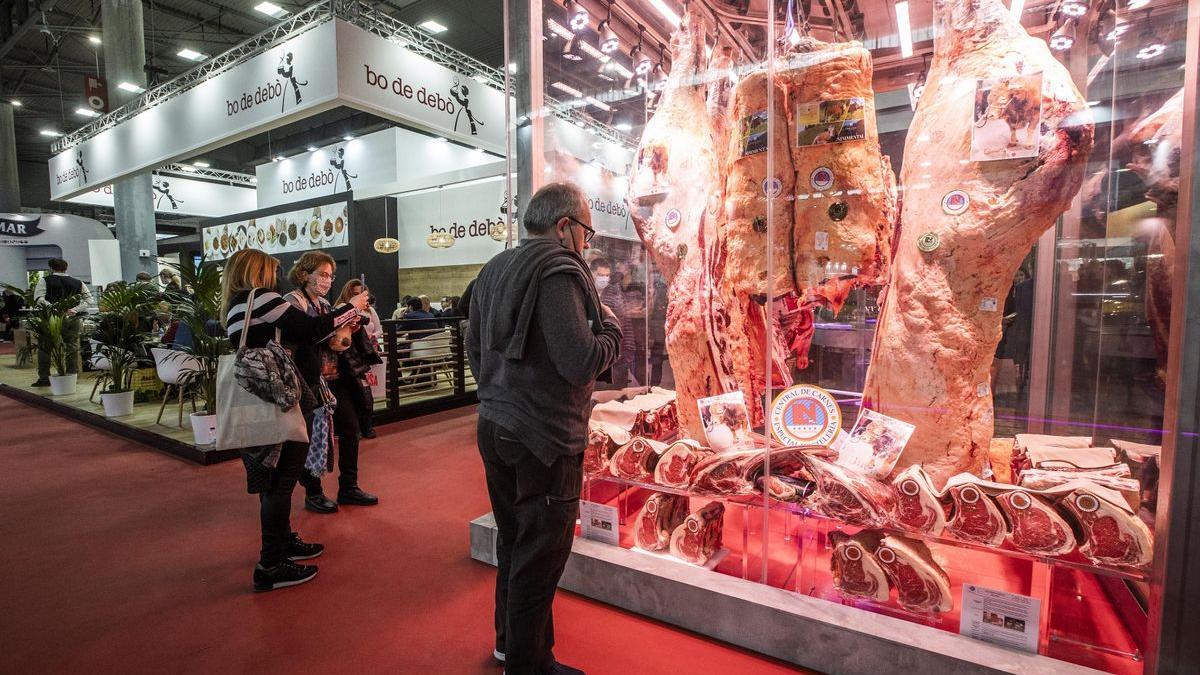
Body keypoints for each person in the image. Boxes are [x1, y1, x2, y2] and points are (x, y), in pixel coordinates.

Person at [468, 181, 622, 675]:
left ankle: (509, 645)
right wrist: (613, 333)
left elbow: (473, 349)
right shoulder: (559, 268)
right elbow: (580, 362)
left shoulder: (494, 268)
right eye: (588, 235)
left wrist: (500, 393)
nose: (587, 245)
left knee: (514, 541)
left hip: (495, 425)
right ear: (565, 227)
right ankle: (529, 665)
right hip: (545, 438)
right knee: (541, 555)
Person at [221, 248, 368, 592]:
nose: (275, 276)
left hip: (258, 400)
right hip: (281, 399)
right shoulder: (263, 298)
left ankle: (283, 542)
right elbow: (309, 327)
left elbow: (305, 332)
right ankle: (271, 564)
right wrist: (352, 308)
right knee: (282, 480)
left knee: (271, 477)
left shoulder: (236, 305)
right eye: (271, 270)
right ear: (258, 272)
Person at [284, 252, 379, 513]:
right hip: (308, 382)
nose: (327, 280)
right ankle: (313, 492)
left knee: (350, 429)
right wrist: (349, 310)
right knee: (312, 437)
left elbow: (336, 341)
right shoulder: (293, 303)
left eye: (330, 276)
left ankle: (349, 487)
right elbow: (310, 332)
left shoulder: (325, 305)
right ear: (305, 274)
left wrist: (350, 325)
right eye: (322, 274)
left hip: (334, 379)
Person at [335, 280, 383, 440]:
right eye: (355, 294)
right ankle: (357, 428)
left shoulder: (369, 310)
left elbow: (378, 329)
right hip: (348, 358)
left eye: (361, 293)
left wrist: (370, 337)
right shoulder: (341, 309)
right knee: (355, 395)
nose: (359, 296)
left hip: (365, 356)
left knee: (367, 395)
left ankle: (365, 426)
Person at [32, 258, 92, 387]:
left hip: (51, 319)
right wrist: (74, 310)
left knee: (45, 347)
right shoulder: (78, 282)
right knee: (72, 346)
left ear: (51, 268)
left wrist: (54, 308)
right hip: (72, 319)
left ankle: (44, 378)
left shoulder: (44, 280)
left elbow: (38, 298)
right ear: (66, 267)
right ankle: (72, 375)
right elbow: (89, 300)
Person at [589, 256, 635, 389]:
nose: (604, 278)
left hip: (616, 357)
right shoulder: (587, 294)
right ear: (592, 273)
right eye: (600, 275)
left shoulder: (615, 296)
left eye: (607, 275)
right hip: (595, 357)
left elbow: (624, 325)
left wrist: (627, 354)